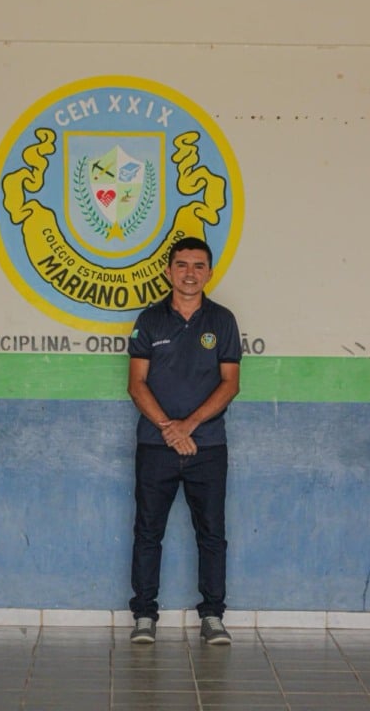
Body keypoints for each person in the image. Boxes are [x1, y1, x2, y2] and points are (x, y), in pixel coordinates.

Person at [127, 236, 241, 645]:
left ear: (209, 272)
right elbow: (136, 384)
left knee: (211, 535)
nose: (189, 273)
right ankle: (144, 616)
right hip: (155, 447)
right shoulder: (150, 320)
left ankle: (212, 616)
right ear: (168, 271)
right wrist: (168, 428)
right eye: (181, 265)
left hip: (207, 447)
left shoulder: (223, 321)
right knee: (147, 533)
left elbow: (230, 384)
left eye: (198, 265)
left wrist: (187, 426)